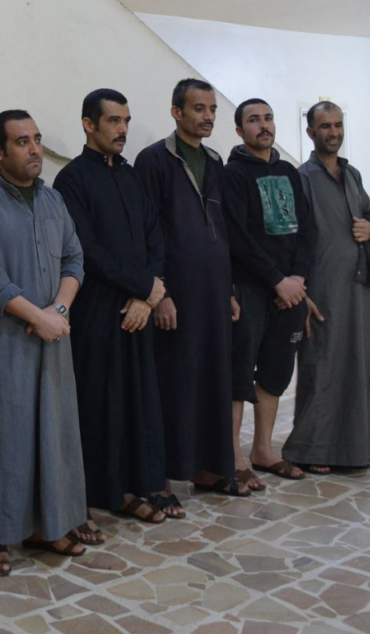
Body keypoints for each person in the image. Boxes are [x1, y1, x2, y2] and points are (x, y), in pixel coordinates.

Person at [0, 109, 89, 576]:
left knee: (53, 431)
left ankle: (48, 526)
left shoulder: (54, 201)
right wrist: (39, 317)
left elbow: (74, 258)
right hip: (4, 342)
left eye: (36, 139)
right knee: (5, 435)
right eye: (21, 142)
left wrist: (59, 311)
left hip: (53, 336)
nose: (35, 149)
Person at [52, 90, 168, 531]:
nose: (122, 130)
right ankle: (95, 493)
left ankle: (132, 487)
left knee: (137, 402)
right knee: (100, 403)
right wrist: (142, 287)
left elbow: (155, 236)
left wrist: (147, 296)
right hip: (98, 311)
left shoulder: (131, 175)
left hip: (138, 310)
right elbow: (86, 248)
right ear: (89, 124)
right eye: (114, 121)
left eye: (126, 121)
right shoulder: (72, 179)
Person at [134, 79, 250, 501]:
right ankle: (165, 475)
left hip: (214, 291)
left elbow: (222, 231)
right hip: (176, 293)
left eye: (212, 109)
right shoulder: (154, 160)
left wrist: (230, 290)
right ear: (176, 112)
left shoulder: (216, 162)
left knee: (214, 378)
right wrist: (160, 294)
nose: (207, 117)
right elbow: (147, 232)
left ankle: (207, 469)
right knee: (175, 382)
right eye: (198, 108)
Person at [283, 101, 370, 471]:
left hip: (359, 288)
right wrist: (303, 293)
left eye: (338, 125)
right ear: (310, 132)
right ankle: (313, 451)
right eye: (325, 126)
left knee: (364, 364)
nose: (334, 133)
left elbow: (369, 212)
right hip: (323, 291)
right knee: (323, 367)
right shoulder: (301, 178)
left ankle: (357, 447)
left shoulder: (352, 174)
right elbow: (292, 239)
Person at [223, 99, 315, 484]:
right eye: (253, 120)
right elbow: (237, 237)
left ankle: (262, 450)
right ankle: (234, 459)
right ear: (239, 130)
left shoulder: (289, 172)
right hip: (251, 289)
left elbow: (307, 231)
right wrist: (277, 281)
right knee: (239, 374)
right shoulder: (232, 174)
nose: (264, 125)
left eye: (268, 118)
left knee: (275, 372)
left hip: (290, 292)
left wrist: (298, 279)